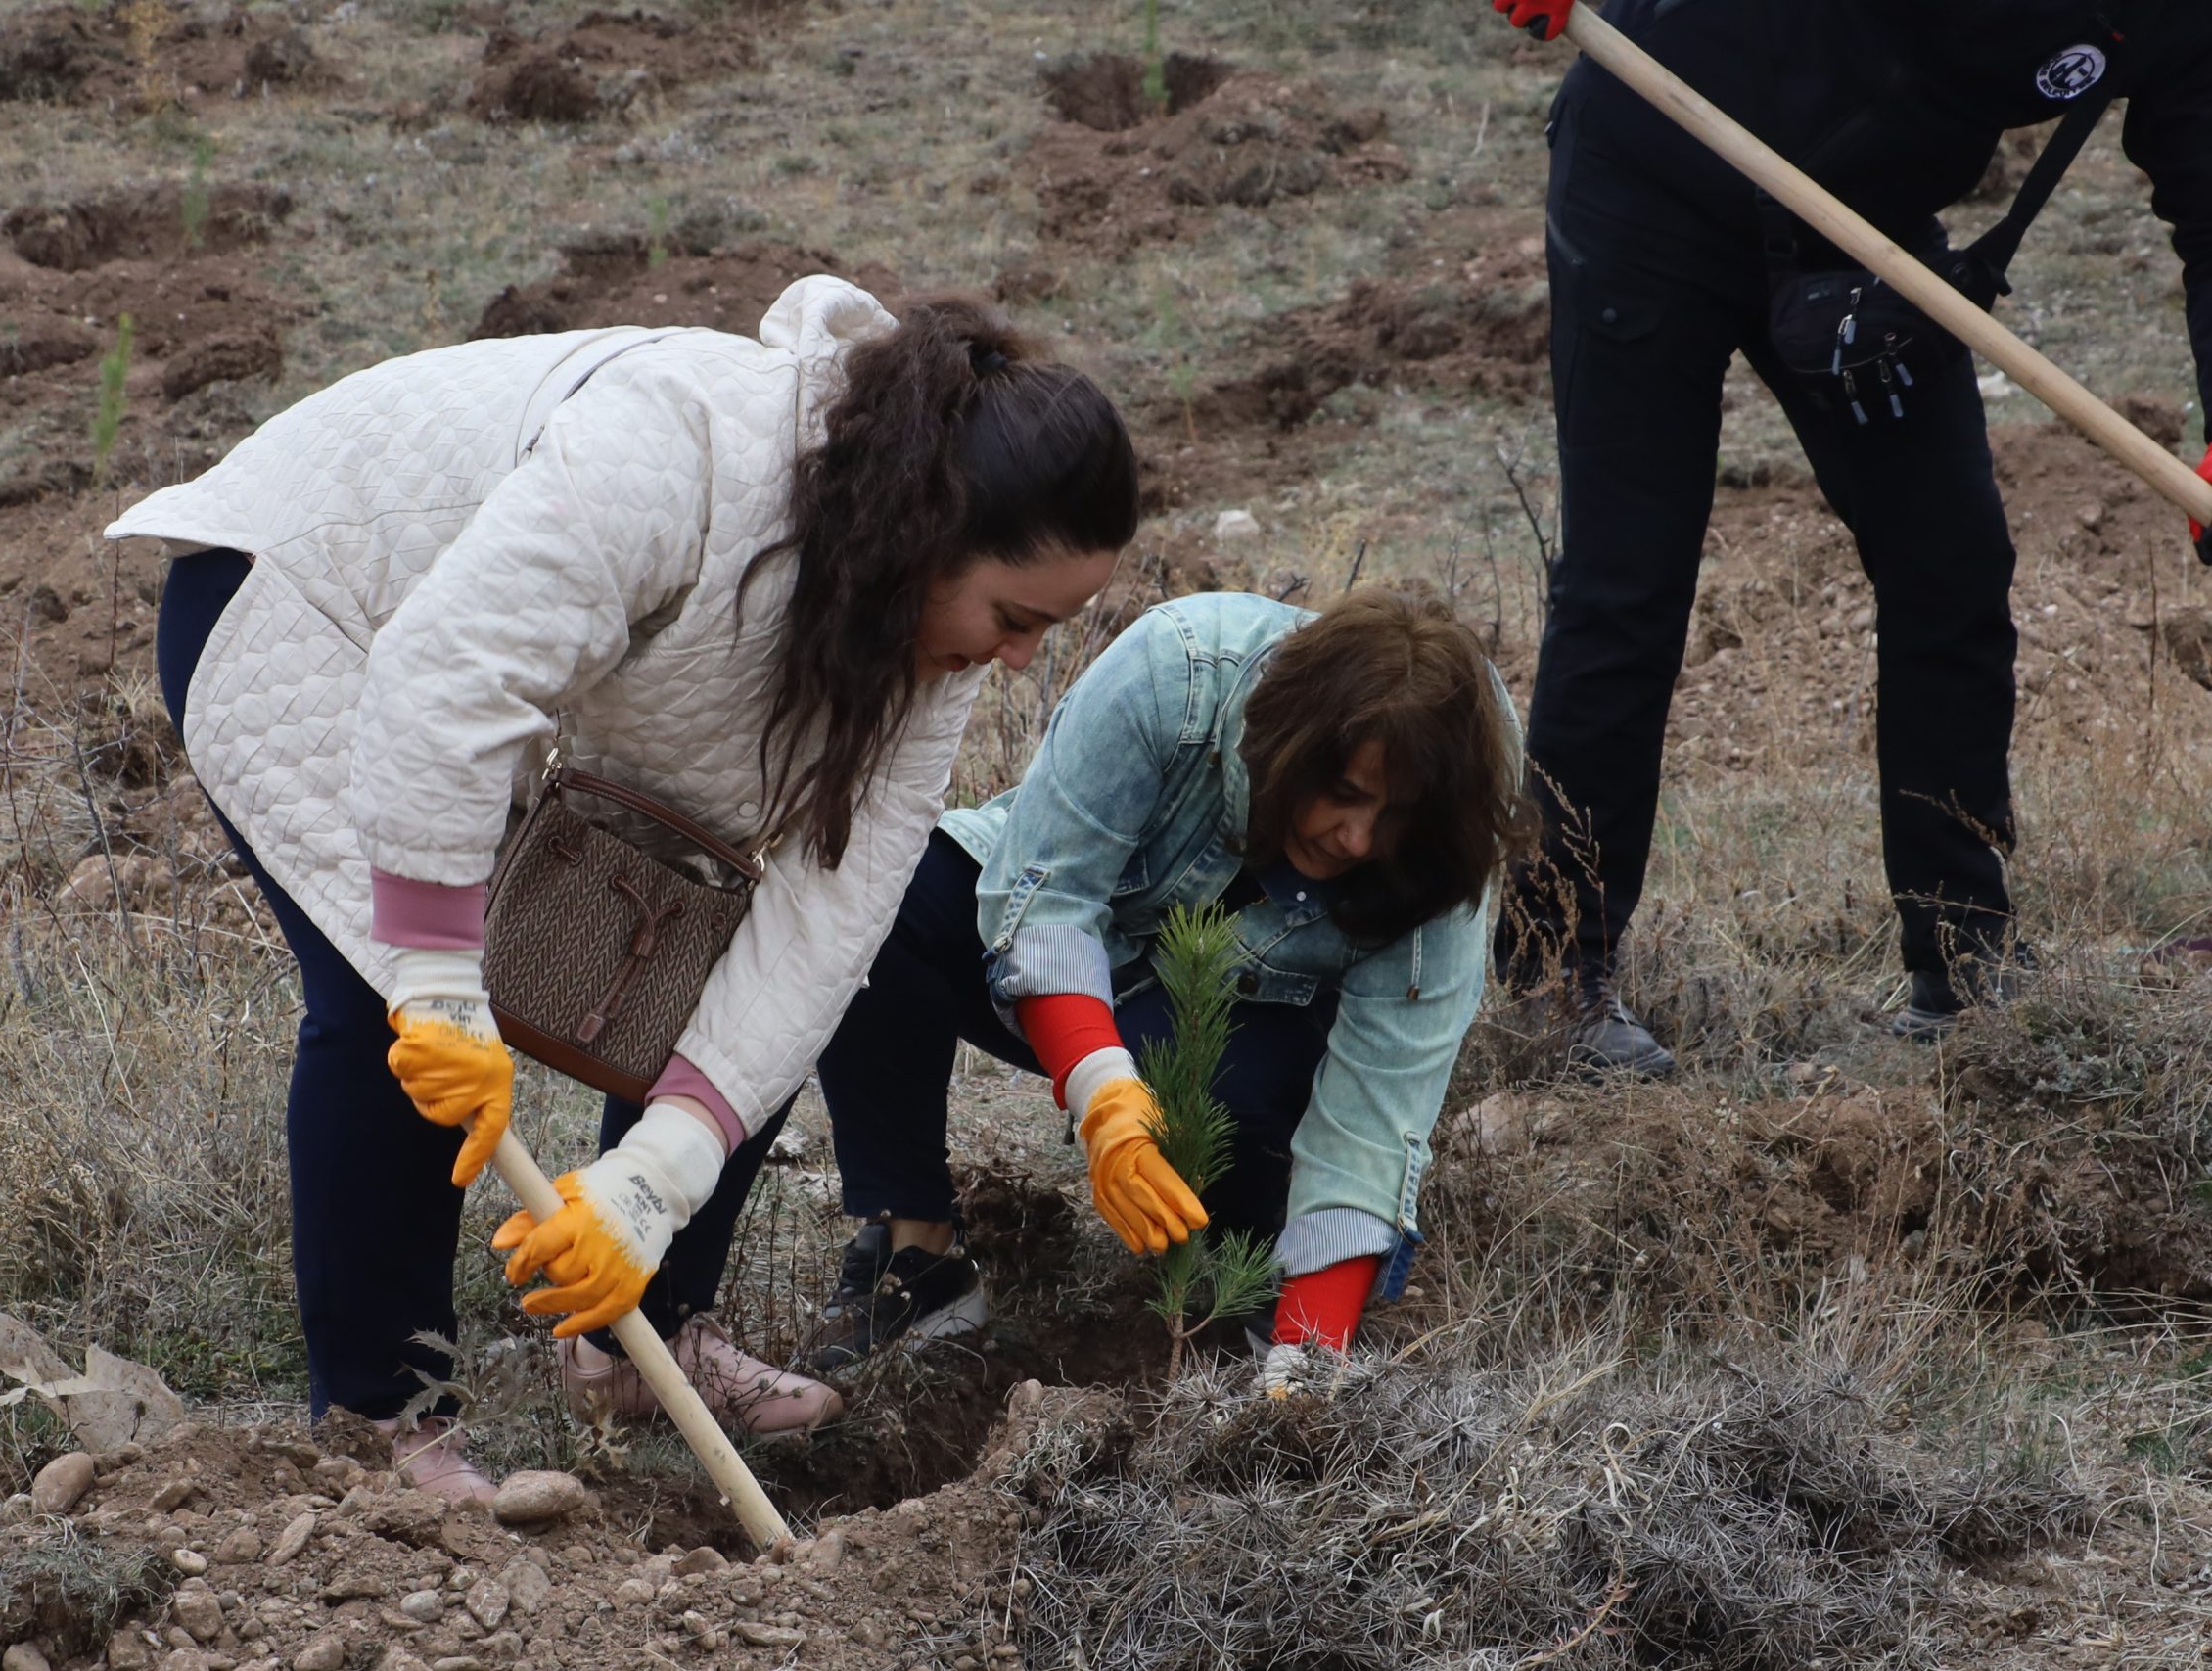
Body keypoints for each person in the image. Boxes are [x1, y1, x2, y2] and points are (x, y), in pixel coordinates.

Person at [122, 277, 1139, 1498]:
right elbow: (450, 681)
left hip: (496, 676)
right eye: (1015, 617)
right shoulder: (680, 449)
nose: (1020, 659)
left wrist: (656, 1180)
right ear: (930, 529)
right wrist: (439, 978)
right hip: (316, 603)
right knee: (383, 1010)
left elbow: (827, 915)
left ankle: (641, 1338)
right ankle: (383, 1421)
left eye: (1047, 630)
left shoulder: (927, 631)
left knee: (740, 966)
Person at [1485, 0, 2212, 1076]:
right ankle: (1556, 973)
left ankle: (1960, 956)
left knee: (1951, 566)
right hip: (1656, 162)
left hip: (1864, 229)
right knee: (1625, 582)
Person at [791, 589, 1529, 1370]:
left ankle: (1264, 1295)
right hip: (1069, 974)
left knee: (1248, 1131)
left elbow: (1377, 1109)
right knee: (883, 904)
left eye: (1393, 816)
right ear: (1289, 743)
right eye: (1343, 794)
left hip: (1245, 1048)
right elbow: (1049, 899)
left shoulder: (1452, 821)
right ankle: (917, 1257)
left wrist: (1309, 1353)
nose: (1357, 838)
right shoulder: (1174, 672)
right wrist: (1103, 1094)